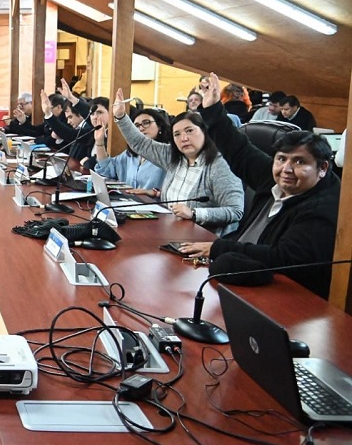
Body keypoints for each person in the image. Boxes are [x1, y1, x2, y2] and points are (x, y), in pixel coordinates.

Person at [177, 74, 339, 298]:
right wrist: (213, 108)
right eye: (281, 159)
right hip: (234, 274)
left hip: (278, 295)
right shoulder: (275, 178)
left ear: (322, 168)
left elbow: (283, 258)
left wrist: (220, 248)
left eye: (299, 162)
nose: (287, 169)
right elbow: (239, 150)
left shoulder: (323, 207)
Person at [111, 86, 243, 235]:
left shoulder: (219, 166)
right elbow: (140, 143)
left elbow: (235, 211)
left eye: (189, 131)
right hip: (167, 231)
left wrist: (194, 213)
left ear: (204, 132)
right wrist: (121, 117)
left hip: (200, 241)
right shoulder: (174, 156)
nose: (184, 138)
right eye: (177, 134)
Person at [94, 107, 169, 193]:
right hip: (126, 202)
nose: (141, 128)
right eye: (136, 126)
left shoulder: (166, 154)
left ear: (159, 126)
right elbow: (105, 169)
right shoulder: (129, 155)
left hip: (153, 204)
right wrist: (99, 141)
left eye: (146, 123)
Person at [42, 79, 93, 161]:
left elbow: (69, 134)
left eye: (70, 117)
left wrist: (72, 98)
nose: (68, 122)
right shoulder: (81, 128)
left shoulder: (89, 128)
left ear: (80, 114)